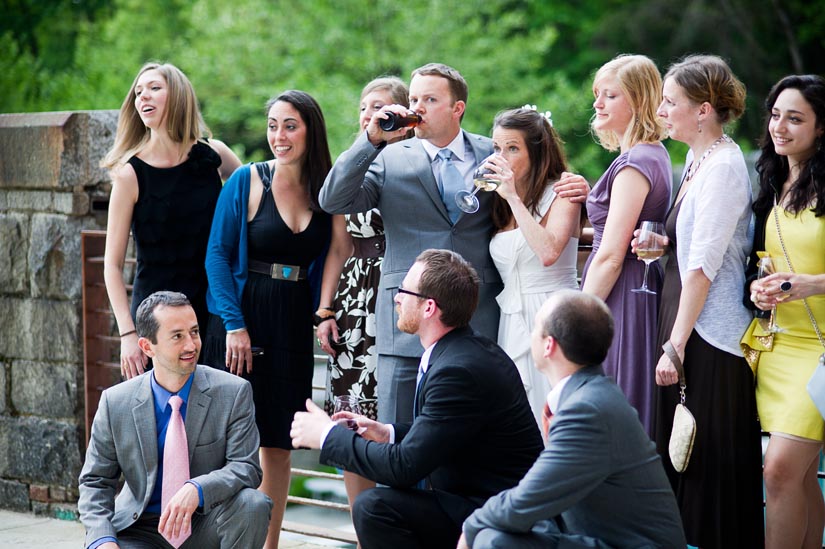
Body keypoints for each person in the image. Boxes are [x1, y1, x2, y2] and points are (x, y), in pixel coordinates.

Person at [320, 63, 588, 425]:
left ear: (457, 108)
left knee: (472, 435)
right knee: (397, 432)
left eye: (430, 99)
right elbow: (333, 200)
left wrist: (581, 188)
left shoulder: (494, 151)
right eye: (414, 98)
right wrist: (369, 139)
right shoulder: (387, 157)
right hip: (407, 324)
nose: (417, 108)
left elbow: (539, 186)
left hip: (482, 320)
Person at [291, 249, 544, 549]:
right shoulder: (462, 351)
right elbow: (444, 430)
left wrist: (326, 435)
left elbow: (405, 467)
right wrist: (388, 433)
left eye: (404, 291)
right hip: (476, 499)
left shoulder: (458, 369)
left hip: (496, 513)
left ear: (429, 308)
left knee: (374, 507)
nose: (395, 297)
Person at [202, 90, 350, 549]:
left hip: (290, 321)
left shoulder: (327, 189)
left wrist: (324, 309)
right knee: (224, 439)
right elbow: (217, 256)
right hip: (241, 319)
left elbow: (337, 252)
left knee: (279, 445)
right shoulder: (247, 180)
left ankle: (270, 545)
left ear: (311, 130)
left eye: (290, 125)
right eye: (272, 125)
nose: (278, 136)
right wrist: (234, 325)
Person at [458, 290, 686, 549]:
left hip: (631, 544)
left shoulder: (588, 410)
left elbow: (528, 499)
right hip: (594, 534)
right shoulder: (590, 395)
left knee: (493, 541)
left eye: (536, 328)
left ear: (549, 345)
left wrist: (471, 528)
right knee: (498, 534)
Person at [652, 55, 763, 548]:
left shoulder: (722, 167)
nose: (661, 110)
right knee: (681, 460)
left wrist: (675, 345)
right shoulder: (697, 161)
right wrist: (663, 246)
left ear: (702, 110)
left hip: (708, 339)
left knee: (706, 468)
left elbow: (704, 268)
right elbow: (692, 248)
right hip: (684, 328)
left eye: (670, 102)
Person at [78, 291, 271, 549]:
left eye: (194, 332)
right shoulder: (116, 402)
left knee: (253, 504)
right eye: (177, 336)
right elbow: (95, 481)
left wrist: (198, 489)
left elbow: (246, 467)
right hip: (140, 530)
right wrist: (102, 540)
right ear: (147, 347)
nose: (191, 345)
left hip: (205, 523)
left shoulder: (234, 392)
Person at [101, 62, 241, 380]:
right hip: (155, 316)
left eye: (154, 88)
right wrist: (127, 336)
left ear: (177, 95)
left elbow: (254, 195)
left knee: (211, 408)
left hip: (211, 306)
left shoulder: (213, 155)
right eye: (138, 92)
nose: (143, 97)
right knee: (159, 415)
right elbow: (111, 265)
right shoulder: (129, 174)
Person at [318, 76, 411, 510]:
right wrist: (325, 309)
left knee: (396, 410)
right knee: (353, 416)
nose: (370, 115)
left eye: (381, 107)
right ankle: (363, 529)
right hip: (355, 299)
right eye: (363, 107)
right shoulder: (351, 166)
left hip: (402, 292)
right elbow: (339, 245)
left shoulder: (413, 161)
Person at [746, 74, 825, 548]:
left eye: (795, 118)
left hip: (819, 353)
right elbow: (769, 265)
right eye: (776, 115)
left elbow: (806, 277)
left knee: (777, 472)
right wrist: (761, 290)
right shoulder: (774, 178)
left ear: (822, 128)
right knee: (797, 478)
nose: (780, 127)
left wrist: (808, 285)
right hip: (776, 347)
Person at [580, 54, 672, 436]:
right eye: (597, 95)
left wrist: (578, 312)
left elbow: (612, 255)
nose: (597, 104)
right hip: (632, 290)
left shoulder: (635, 162)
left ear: (638, 101)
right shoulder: (653, 155)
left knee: (611, 405)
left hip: (621, 296)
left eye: (610, 95)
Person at [482, 107, 584, 423]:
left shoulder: (563, 191)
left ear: (537, 152)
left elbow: (549, 251)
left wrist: (513, 197)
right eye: (497, 148)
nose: (502, 157)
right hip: (511, 320)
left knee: (553, 413)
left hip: (553, 312)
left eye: (513, 148)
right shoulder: (497, 200)